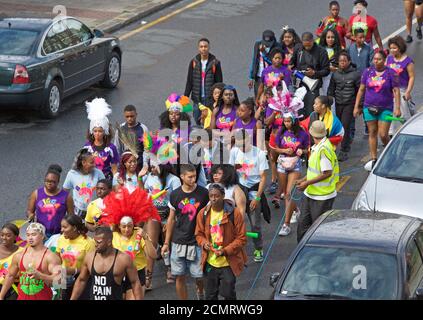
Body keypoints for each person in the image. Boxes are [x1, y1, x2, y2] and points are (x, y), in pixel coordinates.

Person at [161, 164, 209, 300]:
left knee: (199, 276)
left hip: (197, 241)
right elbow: (171, 220)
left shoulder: (204, 193)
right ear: (182, 177)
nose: (193, 179)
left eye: (194, 176)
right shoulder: (175, 194)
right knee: (179, 276)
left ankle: (200, 293)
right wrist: (166, 243)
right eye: (190, 177)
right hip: (178, 241)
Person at [195, 184, 247, 300]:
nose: (213, 199)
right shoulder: (203, 213)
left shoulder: (234, 213)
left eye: (217, 196)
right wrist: (204, 243)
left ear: (223, 196)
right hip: (210, 262)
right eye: (211, 196)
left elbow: (241, 238)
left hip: (228, 263)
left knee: (228, 294)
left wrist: (225, 251)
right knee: (210, 295)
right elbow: (199, 234)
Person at [353, 50, 401, 167]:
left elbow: (396, 90)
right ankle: (374, 158)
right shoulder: (367, 72)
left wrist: (397, 108)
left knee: (383, 134)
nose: (376, 61)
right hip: (369, 107)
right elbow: (361, 89)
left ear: (384, 60)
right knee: (372, 133)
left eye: (379, 59)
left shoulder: (392, 73)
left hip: (386, 108)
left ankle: (391, 152)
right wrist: (356, 106)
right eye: (374, 59)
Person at [139, 161, 181, 289]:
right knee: (151, 244)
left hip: (170, 215)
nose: (151, 168)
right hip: (153, 214)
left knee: (169, 243)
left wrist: (169, 220)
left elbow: (178, 203)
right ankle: (148, 279)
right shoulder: (149, 177)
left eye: (153, 166)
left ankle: (170, 267)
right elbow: (143, 195)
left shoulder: (174, 180)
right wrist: (140, 178)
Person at [229, 129, 269, 263]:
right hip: (240, 190)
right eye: (239, 145)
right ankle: (237, 248)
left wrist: (257, 198)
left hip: (253, 191)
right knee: (235, 221)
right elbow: (230, 171)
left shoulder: (259, 154)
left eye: (244, 145)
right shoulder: (235, 151)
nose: (242, 148)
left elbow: (263, 177)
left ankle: (258, 248)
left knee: (254, 224)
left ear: (249, 139)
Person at [70, 226, 142, 300]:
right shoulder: (90, 257)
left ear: (109, 242)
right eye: (95, 241)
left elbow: (135, 282)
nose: (95, 245)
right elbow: (81, 280)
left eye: (99, 242)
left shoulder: (124, 259)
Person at [296, 121, 339, 242]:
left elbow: (327, 172)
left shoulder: (323, 149)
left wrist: (306, 183)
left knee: (318, 230)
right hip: (311, 193)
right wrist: (303, 179)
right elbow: (314, 170)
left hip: (322, 196)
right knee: (302, 226)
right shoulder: (318, 147)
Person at [270, 113, 310, 235]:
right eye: (285, 121)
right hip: (282, 163)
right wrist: (283, 150)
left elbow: (308, 148)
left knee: (288, 193)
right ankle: (295, 209)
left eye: (289, 121)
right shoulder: (281, 132)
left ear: (294, 121)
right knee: (284, 192)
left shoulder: (302, 133)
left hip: (296, 164)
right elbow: (275, 148)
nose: (286, 123)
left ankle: (286, 225)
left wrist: (301, 151)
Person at [0, 223, 61, 300]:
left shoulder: (51, 257)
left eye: (34, 234)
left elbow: (60, 280)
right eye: (28, 235)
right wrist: (1, 296)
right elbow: (10, 276)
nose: (30, 238)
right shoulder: (19, 255)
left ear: (42, 236)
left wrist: (41, 276)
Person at [111, 217, 157, 300]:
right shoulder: (113, 236)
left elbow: (153, 255)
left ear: (133, 225)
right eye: (124, 226)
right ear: (119, 226)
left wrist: (145, 237)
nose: (127, 229)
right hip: (118, 275)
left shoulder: (139, 234)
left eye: (129, 226)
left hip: (137, 274)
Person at [328, 51, 361, 161]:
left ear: (349, 62)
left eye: (344, 61)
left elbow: (360, 91)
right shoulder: (335, 74)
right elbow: (331, 88)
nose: (342, 63)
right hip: (338, 103)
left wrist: (359, 106)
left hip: (350, 103)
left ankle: (344, 150)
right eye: (340, 61)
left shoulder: (355, 74)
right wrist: (329, 100)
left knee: (345, 125)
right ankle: (341, 143)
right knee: (339, 125)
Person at [27, 164, 74, 239]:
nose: (49, 183)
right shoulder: (36, 193)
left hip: (59, 234)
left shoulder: (66, 196)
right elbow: (30, 211)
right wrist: (30, 215)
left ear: (58, 182)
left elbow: (71, 216)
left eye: (53, 182)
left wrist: (66, 230)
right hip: (40, 233)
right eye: (47, 181)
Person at [290, 32, 330, 117]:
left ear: (313, 41)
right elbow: (292, 61)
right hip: (299, 83)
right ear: (302, 42)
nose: (307, 47)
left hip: (313, 85)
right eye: (305, 45)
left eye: (309, 45)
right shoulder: (298, 48)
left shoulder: (321, 51)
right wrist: (290, 66)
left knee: (310, 110)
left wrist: (315, 73)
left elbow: (327, 70)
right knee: (298, 110)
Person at [184, 38, 223, 125]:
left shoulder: (215, 63)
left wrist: (218, 97)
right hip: (197, 99)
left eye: (205, 46)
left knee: (210, 121)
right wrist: (185, 96)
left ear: (209, 48)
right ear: (198, 48)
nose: (203, 48)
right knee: (198, 120)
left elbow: (219, 82)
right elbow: (189, 80)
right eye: (201, 46)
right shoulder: (194, 62)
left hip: (210, 99)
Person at [57, 215, 95, 300]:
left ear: (74, 228)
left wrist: (74, 271)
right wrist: (57, 284)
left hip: (82, 279)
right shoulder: (61, 239)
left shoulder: (88, 242)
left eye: (65, 227)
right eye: (61, 227)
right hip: (64, 276)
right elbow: (57, 260)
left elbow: (92, 268)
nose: (61, 230)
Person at [347, 27, 374, 138]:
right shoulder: (350, 48)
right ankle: (351, 129)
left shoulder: (369, 49)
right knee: (353, 103)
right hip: (352, 81)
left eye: (364, 37)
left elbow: (371, 65)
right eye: (360, 37)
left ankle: (367, 126)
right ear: (354, 37)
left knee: (364, 104)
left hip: (365, 82)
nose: (362, 39)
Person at [63, 149, 105, 218]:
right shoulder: (72, 174)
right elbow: (64, 193)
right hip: (78, 211)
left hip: (95, 210)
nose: (94, 165)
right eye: (91, 163)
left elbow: (106, 189)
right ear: (83, 162)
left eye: (94, 162)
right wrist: (69, 210)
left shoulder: (98, 173)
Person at [84, 98, 119, 180]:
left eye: (100, 131)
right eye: (95, 131)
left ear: (105, 132)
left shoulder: (111, 148)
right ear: (91, 132)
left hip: (107, 181)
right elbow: (83, 167)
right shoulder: (87, 147)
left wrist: (116, 183)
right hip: (91, 180)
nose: (97, 134)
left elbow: (114, 168)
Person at [386, 36, 415, 135]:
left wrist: (408, 92)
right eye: (391, 48)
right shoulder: (389, 59)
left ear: (400, 47)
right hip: (390, 92)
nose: (392, 50)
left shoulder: (408, 61)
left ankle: (409, 134)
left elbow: (411, 77)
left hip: (402, 91)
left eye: (394, 48)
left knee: (404, 116)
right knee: (390, 115)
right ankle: (390, 135)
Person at [114, 105, 150, 171]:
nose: (129, 118)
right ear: (124, 115)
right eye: (127, 117)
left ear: (136, 115)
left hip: (139, 165)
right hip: (125, 166)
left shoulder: (144, 129)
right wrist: (119, 165)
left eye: (132, 116)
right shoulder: (120, 129)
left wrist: (145, 164)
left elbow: (147, 149)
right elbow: (117, 148)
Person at [248, 30, 280, 97]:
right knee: (258, 97)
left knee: (270, 97)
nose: (266, 45)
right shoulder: (257, 44)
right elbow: (254, 60)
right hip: (259, 76)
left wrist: (264, 52)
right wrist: (251, 77)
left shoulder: (277, 47)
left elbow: (274, 63)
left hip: (272, 76)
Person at [0, 223, 23, 300]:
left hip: (13, 288)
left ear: (16, 237)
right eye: (2, 235)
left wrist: (16, 274)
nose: (4, 238)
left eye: (8, 235)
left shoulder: (22, 252)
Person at [319, 28, 342, 95]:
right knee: (324, 97)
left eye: (332, 37)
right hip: (323, 77)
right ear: (324, 38)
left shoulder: (340, 50)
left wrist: (336, 69)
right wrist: (328, 68)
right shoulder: (320, 50)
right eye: (328, 37)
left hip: (336, 77)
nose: (330, 39)